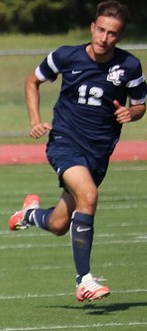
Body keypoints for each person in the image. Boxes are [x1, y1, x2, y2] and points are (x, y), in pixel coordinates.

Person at [8, 1, 144, 302]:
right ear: (92, 27)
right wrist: (34, 119)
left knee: (59, 224)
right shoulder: (65, 55)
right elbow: (32, 81)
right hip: (65, 143)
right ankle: (84, 280)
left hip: (98, 152)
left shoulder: (130, 66)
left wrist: (132, 114)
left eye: (112, 33)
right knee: (90, 196)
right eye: (101, 30)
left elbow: (139, 104)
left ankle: (29, 214)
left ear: (119, 37)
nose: (104, 38)